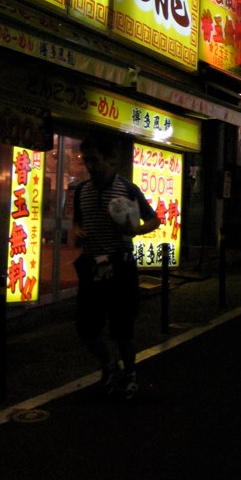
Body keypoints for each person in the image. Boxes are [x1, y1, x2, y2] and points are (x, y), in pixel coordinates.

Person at [73, 131, 160, 400]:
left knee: (122, 329)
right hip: (92, 266)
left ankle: (130, 375)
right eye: (85, 160)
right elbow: (77, 221)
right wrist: (77, 230)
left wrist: (135, 231)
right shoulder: (82, 191)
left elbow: (154, 220)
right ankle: (109, 367)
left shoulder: (127, 189)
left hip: (120, 265)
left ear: (111, 160)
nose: (90, 166)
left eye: (95, 160)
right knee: (86, 327)